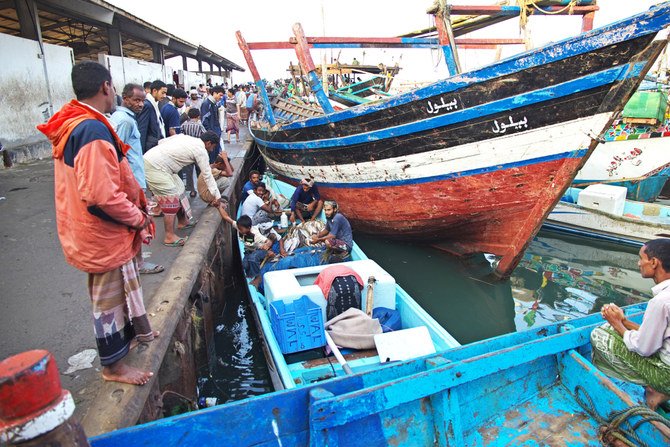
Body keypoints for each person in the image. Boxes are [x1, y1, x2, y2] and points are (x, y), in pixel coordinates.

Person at [37, 61, 156, 386]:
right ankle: (113, 367)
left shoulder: (81, 124)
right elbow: (101, 196)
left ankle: (134, 336)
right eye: (113, 86)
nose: (114, 91)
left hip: (96, 231)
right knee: (108, 299)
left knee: (121, 288)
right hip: (100, 234)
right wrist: (138, 218)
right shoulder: (90, 129)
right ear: (106, 87)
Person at [591, 238, 670, 411]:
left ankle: (656, 388)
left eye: (641, 258)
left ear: (654, 262)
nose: (638, 263)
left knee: (600, 333)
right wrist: (625, 321)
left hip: (667, 376)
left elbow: (644, 348)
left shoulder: (661, 301)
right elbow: (660, 337)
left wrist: (616, 323)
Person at [110, 83, 164, 275]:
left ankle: (136, 260)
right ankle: (138, 262)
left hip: (134, 178)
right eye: (136, 100)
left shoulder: (125, 118)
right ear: (125, 99)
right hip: (131, 180)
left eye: (142, 100)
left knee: (136, 222)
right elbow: (117, 154)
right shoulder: (124, 121)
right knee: (136, 222)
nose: (140, 104)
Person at [143, 131, 222, 246]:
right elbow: (207, 175)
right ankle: (169, 236)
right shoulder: (201, 151)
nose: (212, 150)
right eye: (213, 147)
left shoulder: (186, 138)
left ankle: (183, 221)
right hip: (155, 167)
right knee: (171, 199)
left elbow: (162, 141)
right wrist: (217, 196)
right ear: (209, 143)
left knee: (180, 190)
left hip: (159, 164)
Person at [180, 108, 207, 197]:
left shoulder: (184, 125)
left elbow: (180, 135)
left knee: (189, 172)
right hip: (197, 150)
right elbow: (205, 135)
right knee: (200, 170)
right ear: (198, 116)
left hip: (187, 150)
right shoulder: (199, 125)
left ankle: (191, 190)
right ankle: (201, 188)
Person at [137, 80, 167, 153]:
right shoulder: (148, 106)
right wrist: (141, 152)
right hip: (149, 149)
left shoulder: (154, 104)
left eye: (165, 93)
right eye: (162, 93)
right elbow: (142, 130)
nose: (164, 96)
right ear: (154, 91)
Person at [201, 85, 224, 163]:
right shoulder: (207, 104)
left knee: (215, 156)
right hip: (212, 136)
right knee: (211, 157)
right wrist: (210, 133)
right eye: (220, 95)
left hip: (216, 134)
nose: (221, 97)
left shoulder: (214, 104)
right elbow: (204, 121)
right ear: (214, 93)